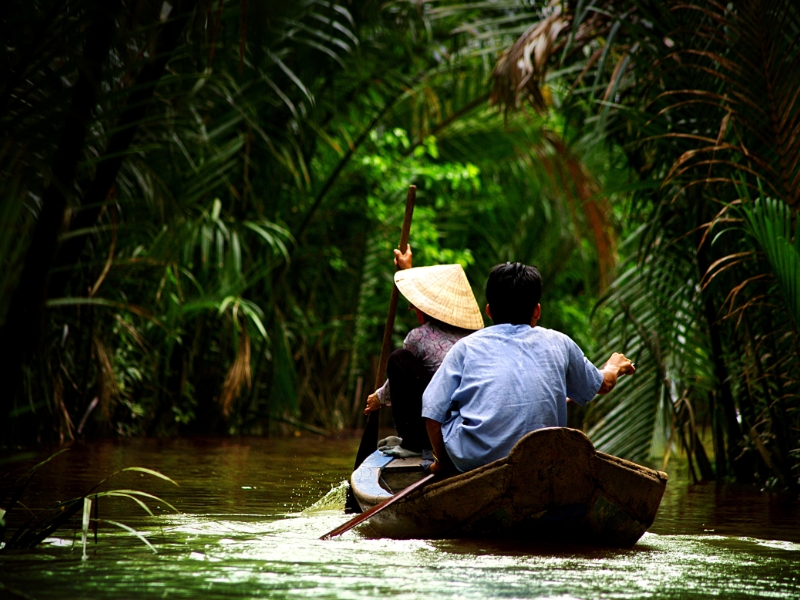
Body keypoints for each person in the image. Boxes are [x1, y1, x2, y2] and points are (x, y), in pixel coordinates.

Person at [422, 262, 635, 473]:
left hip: (474, 462)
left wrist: (443, 463)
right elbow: (603, 384)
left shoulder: (465, 347)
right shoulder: (559, 342)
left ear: (489, 311)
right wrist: (614, 366)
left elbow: (432, 411)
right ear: (537, 311)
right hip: (542, 458)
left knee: (451, 407)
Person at [364, 246, 484, 453]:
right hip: (473, 421)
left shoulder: (418, 337)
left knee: (399, 359)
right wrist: (407, 269)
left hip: (441, 422)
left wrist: (378, 398)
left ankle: (413, 443)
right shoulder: (477, 335)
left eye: (416, 305)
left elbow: (398, 382)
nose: (412, 308)